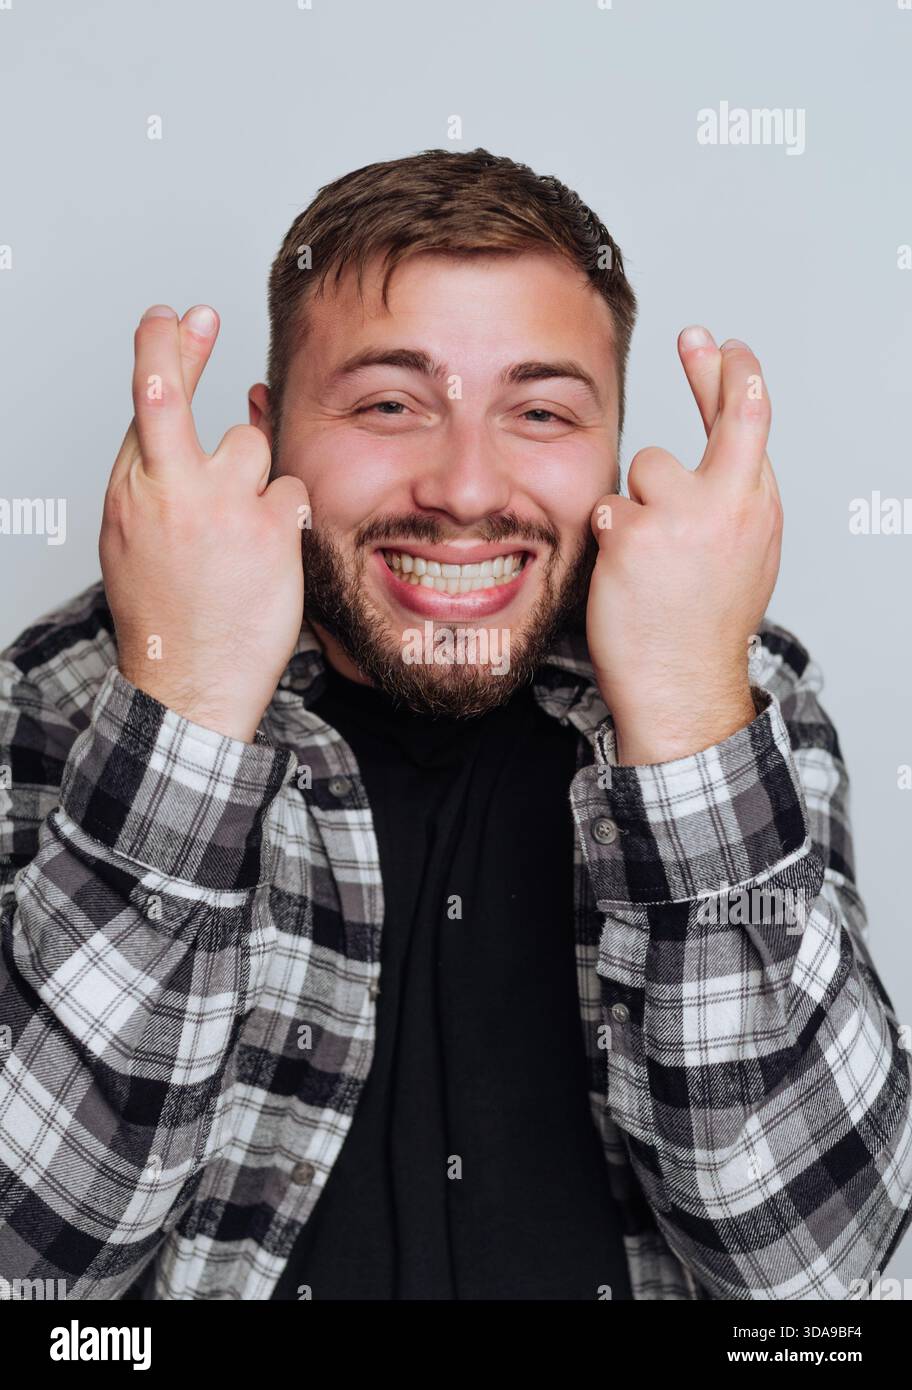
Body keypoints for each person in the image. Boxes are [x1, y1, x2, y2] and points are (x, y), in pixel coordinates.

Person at [1, 148, 909, 1300]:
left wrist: (687, 708)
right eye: (390, 403)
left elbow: (811, 1276)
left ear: (615, 446)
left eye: (539, 410)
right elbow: (30, 1268)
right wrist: (186, 705)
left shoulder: (741, 691)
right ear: (271, 433)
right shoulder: (69, 693)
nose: (469, 488)